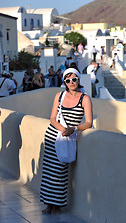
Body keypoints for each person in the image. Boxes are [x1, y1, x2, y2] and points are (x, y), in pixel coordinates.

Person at [40, 68, 93, 214]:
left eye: (74, 79)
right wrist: (62, 129)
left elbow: (88, 122)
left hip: (68, 137)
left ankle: (56, 204)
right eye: (68, 80)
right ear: (64, 82)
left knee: (60, 172)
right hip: (53, 135)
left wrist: (73, 129)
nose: (71, 82)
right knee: (49, 171)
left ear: (78, 79)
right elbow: (52, 118)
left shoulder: (85, 98)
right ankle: (48, 204)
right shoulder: (59, 95)